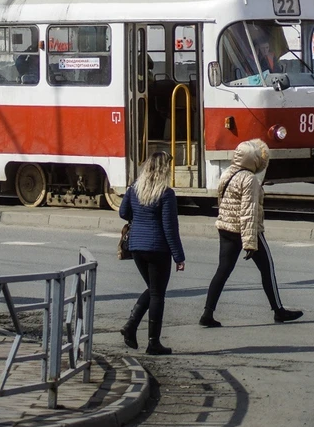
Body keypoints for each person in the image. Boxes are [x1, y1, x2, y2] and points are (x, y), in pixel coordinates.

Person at [199, 139, 303, 328]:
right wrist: (250, 243)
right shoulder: (250, 180)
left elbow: (221, 199)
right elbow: (249, 212)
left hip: (226, 228)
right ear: (253, 159)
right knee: (267, 269)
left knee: (222, 271)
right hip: (247, 230)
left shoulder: (228, 173)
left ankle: (207, 312)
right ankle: (278, 311)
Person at [118, 151, 186, 355]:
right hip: (157, 248)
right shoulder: (165, 193)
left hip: (137, 247)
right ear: (165, 170)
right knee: (157, 294)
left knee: (153, 289)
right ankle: (153, 342)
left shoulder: (134, 189)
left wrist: (138, 217)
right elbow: (169, 227)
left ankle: (131, 326)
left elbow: (123, 213)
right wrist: (179, 256)